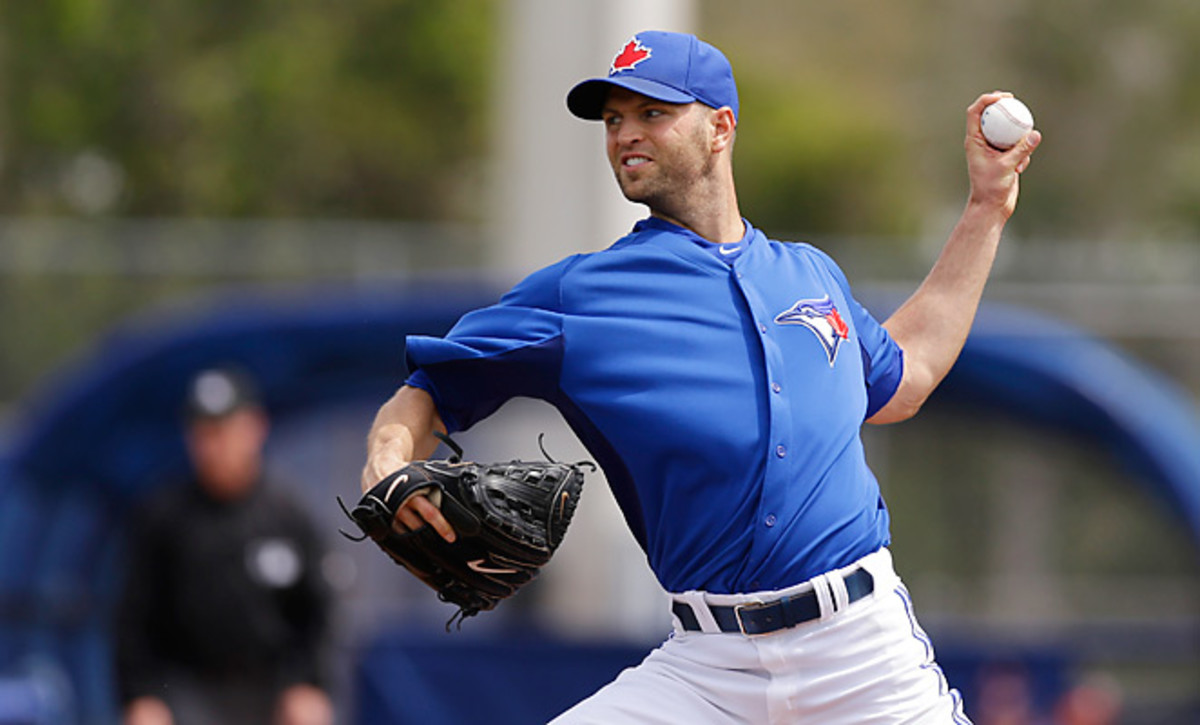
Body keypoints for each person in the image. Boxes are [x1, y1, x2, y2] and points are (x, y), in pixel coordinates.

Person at [360, 30, 1041, 723]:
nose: (626, 133)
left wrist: (986, 208)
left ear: (720, 127)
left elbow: (907, 376)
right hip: (708, 672)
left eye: (652, 113)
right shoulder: (582, 295)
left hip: (862, 659)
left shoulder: (808, 275)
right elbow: (426, 391)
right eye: (613, 119)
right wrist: (386, 466)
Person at [116, 367, 334, 725]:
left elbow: (319, 615)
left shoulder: (287, 515)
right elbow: (134, 619)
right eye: (202, 434)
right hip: (187, 689)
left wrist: (308, 684)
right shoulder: (165, 519)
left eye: (223, 431)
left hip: (273, 689)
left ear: (255, 428)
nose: (213, 447)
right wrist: (141, 696)